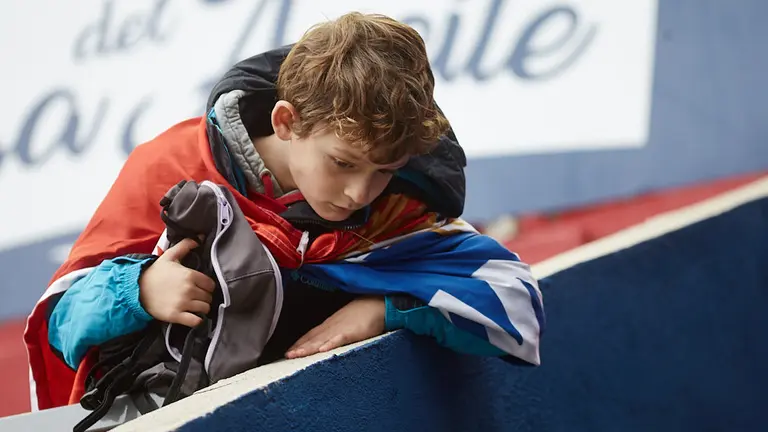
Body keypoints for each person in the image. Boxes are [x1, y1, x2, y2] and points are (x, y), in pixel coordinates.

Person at [25, 12, 543, 411]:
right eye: (343, 162)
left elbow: (516, 299)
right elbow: (61, 322)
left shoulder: (404, 206)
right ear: (287, 120)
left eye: (385, 169)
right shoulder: (170, 165)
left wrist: (386, 309)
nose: (361, 193)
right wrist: (137, 289)